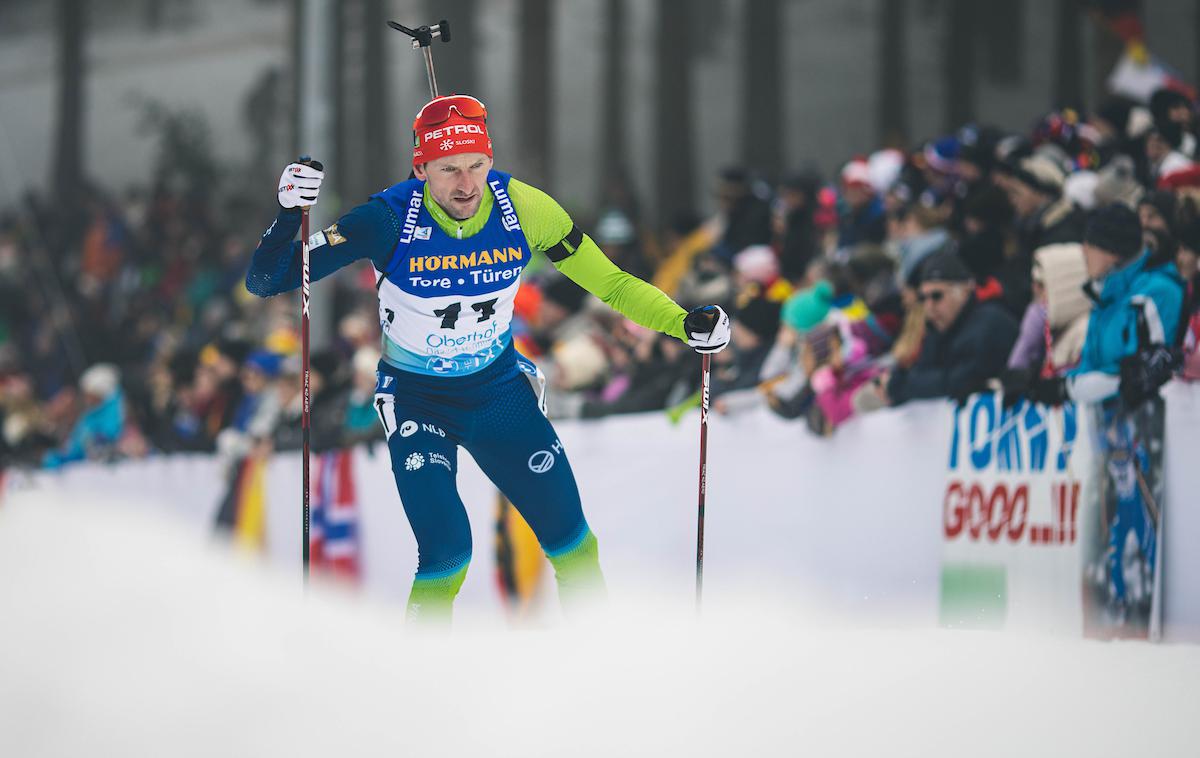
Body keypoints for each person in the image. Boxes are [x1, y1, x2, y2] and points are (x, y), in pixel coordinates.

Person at [245, 94, 730, 625]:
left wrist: (684, 324)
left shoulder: (525, 209)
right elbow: (269, 280)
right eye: (449, 169)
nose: (466, 184)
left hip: (498, 393)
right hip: (418, 400)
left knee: (575, 546)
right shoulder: (386, 218)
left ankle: (600, 672)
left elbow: (610, 283)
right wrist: (289, 213)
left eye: (477, 165)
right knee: (448, 557)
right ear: (421, 167)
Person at [1025, 204, 1184, 407]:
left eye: (1090, 243)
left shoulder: (1156, 293)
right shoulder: (1105, 296)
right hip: (1112, 428)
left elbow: (1148, 372)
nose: (1083, 250)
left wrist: (1068, 389)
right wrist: (1052, 383)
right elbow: (1090, 366)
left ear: (1112, 251)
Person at [873, 249, 1019, 406]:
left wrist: (903, 385)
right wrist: (899, 385)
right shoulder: (937, 328)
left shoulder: (991, 322)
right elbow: (922, 373)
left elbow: (961, 381)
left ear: (964, 291)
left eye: (937, 296)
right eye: (923, 298)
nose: (929, 306)